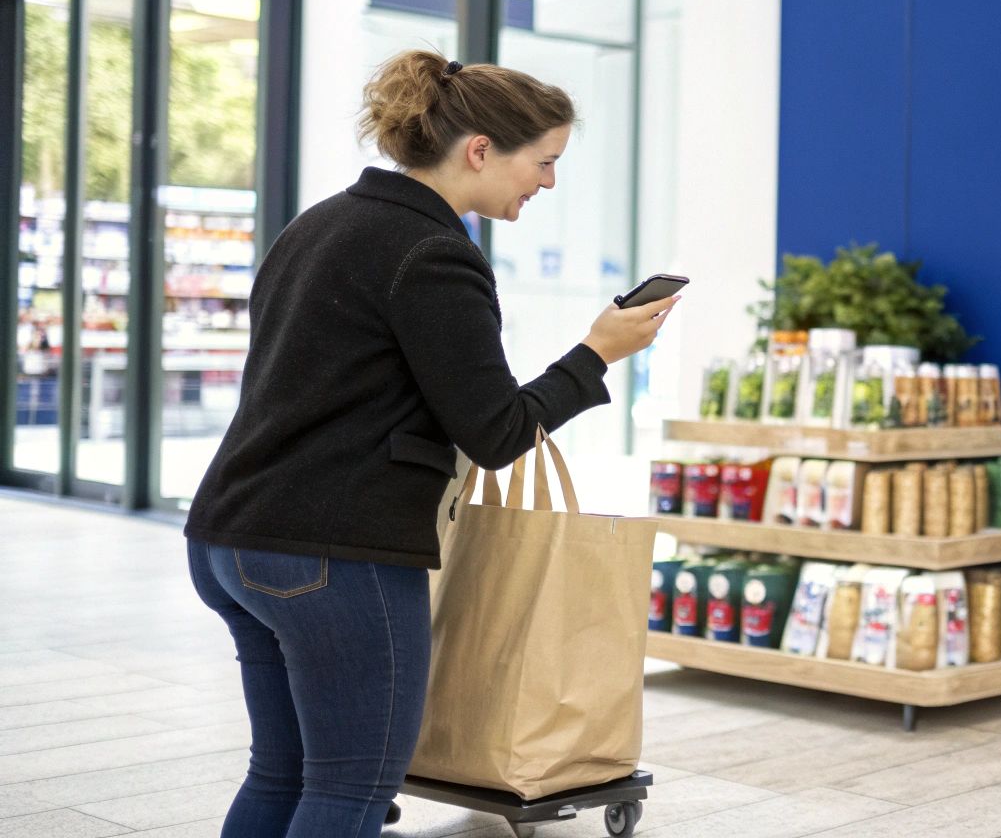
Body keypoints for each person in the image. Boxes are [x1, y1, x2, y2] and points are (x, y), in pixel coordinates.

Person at [183, 50, 679, 838]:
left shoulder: (318, 225)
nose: (547, 183)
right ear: (479, 149)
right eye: (543, 162)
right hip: (333, 551)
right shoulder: (434, 254)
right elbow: (495, 433)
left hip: (230, 535)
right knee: (349, 788)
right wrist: (597, 354)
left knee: (280, 772)